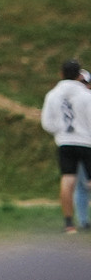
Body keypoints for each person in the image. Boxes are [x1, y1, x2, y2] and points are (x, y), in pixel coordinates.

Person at [37, 58, 91, 232]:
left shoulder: (53, 94)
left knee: (68, 180)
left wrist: (61, 132)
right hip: (86, 141)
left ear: (61, 73)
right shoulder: (85, 95)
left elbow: (47, 123)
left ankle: (69, 224)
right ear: (78, 75)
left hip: (65, 142)